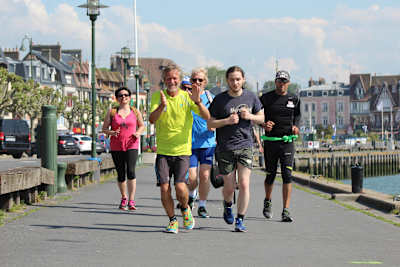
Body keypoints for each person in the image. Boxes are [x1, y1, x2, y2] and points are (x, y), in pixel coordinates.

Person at [149, 65, 210, 234]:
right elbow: (152, 119)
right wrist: (161, 106)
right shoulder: (157, 96)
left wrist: (197, 101)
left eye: (175, 78)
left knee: (180, 186)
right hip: (163, 151)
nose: (172, 81)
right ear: (164, 80)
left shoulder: (187, 97)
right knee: (164, 187)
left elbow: (207, 117)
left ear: (179, 79)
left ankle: (185, 208)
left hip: (182, 150)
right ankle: (172, 220)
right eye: (168, 78)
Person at [208, 66, 264, 232]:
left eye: (238, 79)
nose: (235, 82)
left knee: (245, 184)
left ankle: (240, 219)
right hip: (225, 147)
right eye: (232, 79)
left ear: (243, 80)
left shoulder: (251, 97)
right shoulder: (220, 100)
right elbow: (210, 123)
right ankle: (227, 205)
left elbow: (262, 118)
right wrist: (226, 121)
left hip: (245, 145)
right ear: (227, 81)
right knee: (229, 186)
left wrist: (250, 117)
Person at [259, 70, 301, 222]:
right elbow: (257, 114)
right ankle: (268, 201)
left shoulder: (294, 99)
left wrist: (296, 126)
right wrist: (263, 124)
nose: (282, 84)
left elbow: (297, 116)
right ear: (275, 82)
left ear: (288, 83)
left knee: (287, 175)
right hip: (271, 141)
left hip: (287, 141)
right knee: (270, 175)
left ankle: (286, 210)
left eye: (284, 81)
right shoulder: (266, 98)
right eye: (279, 81)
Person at [102, 87, 145, 211]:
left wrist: (137, 133)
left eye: (126, 95)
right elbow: (104, 129)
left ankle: (131, 200)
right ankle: (124, 197)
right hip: (116, 146)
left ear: (130, 98)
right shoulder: (112, 112)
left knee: (131, 171)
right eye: (120, 95)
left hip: (132, 144)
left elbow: (142, 126)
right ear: (117, 98)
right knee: (121, 173)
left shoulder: (135, 111)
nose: (123, 97)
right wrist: (112, 132)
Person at [186, 68, 216, 218]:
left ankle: (202, 205)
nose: (197, 82)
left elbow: (216, 118)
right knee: (192, 178)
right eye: (194, 80)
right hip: (189, 143)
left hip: (207, 142)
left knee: (204, 176)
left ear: (205, 82)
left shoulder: (211, 98)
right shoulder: (185, 97)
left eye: (200, 80)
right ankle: (192, 195)